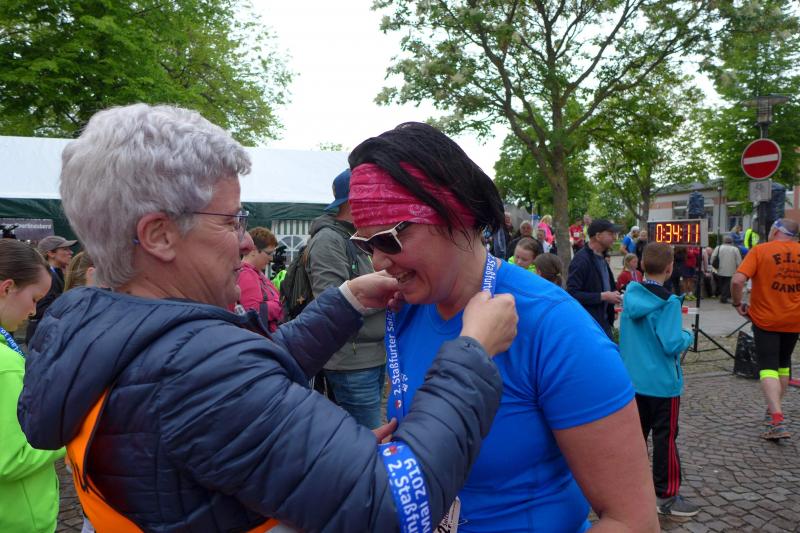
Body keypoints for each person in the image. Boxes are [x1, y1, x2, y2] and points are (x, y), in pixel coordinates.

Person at [17, 103, 518, 531]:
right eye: (230, 220)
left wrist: (344, 302)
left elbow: (246, 378)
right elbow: (395, 504)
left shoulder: (89, 326)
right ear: (159, 235)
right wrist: (472, 353)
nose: (244, 241)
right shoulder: (197, 371)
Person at [348, 122, 657, 532]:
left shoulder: (555, 328)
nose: (377, 262)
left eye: (388, 238)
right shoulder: (405, 309)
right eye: (365, 244)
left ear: (455, 215)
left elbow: (633, 521)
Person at [619, 242, 698, 518]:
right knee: (665, 440)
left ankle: (631, 489)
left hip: (633, 382)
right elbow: (671, 343)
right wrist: (688, 335)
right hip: (663, 385)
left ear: (641, 264)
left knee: (635, 438)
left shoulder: (630, 294)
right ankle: (666, 496)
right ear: (670, 267)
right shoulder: (669, 303)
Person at [306, 169, 387, 429]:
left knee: (372, 430)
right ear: (353, 202)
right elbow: (330, 302)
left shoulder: (359, 237)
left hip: (372, 355)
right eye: (373, 197)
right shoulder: (329, 240)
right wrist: (391, 292)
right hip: (351, 362)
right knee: (368, 437)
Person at [0, 239, 64, 533]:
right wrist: (67, 438)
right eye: (35, 298)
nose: (33, 311)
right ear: (7, 288)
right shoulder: (5, 365)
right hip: (19, 519)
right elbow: (12, 458)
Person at [731, 218, 800, 440]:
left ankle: (776, 419)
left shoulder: (760, 251)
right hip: (794, 320)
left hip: (766, 319)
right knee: (783, 364)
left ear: (776, 231)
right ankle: (773, 411)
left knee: (768, 366)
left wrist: (737, 303)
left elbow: (737, 281)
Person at [567, 219, 622, 339]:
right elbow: (572, 294)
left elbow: (606, 286)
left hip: (603, 323)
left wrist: (614, 301)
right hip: (589, 326)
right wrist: (603, 296)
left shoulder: (602, 257)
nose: (614, 237)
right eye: (610, 234)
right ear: (598, 236)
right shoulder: (581, 260)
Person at [25, 234, 76, 342]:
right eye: (65, 249)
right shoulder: (45, 276)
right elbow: (38, 311)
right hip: (42, 335)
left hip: (45, 332)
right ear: (51, 253)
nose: (71, 252)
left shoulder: (55, 273)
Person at [238, 226, 283, 332]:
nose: (271, 258)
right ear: (253, 250)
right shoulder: (246, 275)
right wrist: (279, 306)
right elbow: (251, 312)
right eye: (269, 253)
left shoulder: (257, 273)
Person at [710, 235, 742, 304]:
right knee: (727, 284)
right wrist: (739, 269)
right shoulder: (735, 249)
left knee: (721, 284)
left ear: (723, 241)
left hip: (719, 270)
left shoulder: (718, 248)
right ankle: (724, 298)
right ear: (731, 241)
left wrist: (713, 265)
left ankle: (723, 296)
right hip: (731, 270)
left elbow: (713, 257)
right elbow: (738, 261)